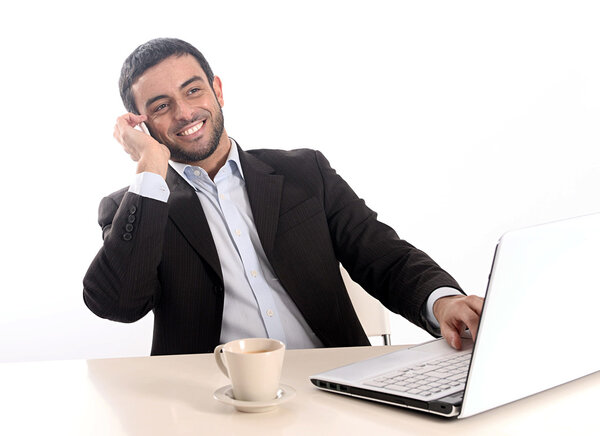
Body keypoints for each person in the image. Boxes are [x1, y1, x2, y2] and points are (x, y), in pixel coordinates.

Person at [83, 38, 483, 356]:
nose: (185, 113)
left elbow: (383, 255)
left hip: (337, 385)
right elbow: (119, 304)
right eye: (161, 106)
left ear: (217, 90)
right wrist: (150, 166)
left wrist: (444, 302)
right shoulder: (134, 206)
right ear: (139, 123)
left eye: (193, 91)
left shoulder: (304, 173)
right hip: (210, 403)